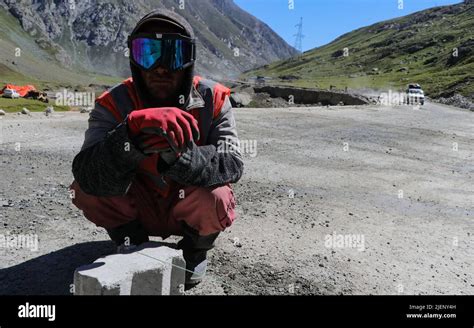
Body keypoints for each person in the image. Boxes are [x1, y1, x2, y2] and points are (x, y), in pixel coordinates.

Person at [69, 8, 244, 289]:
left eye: (174, 53)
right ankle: (131, 241)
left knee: (218, 195)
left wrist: (181, 155)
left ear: (190, 60)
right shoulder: (112, 104)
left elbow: (232, 164)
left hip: (185, 207)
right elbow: (86, 172)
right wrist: (128, 136)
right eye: (147, 52)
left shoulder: (215, 99)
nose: (161, 67)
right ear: (133, 59)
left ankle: (195, 250)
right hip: (138, 204)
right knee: (83, 188)